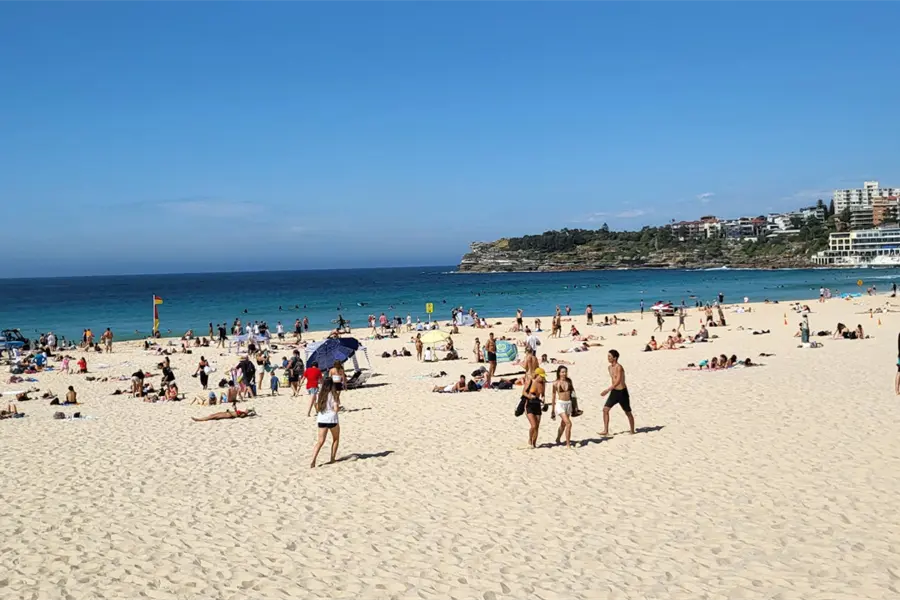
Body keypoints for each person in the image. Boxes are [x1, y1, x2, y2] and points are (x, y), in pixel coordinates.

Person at [600, 349, 635, 436]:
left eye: (610, 356)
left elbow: (618, 381)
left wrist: (607, 390)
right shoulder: (609, 367)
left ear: (615, 358)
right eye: (608, 356)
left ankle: (632, 430)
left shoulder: (619, 367)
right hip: (614, 392)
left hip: (622, 392)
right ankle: (605, 430)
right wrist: (610, 390)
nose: (608, 358)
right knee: (605, 410)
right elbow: (613, 380)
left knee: (628, 412)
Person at [310, 378, 341, 468]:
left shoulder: (321, 395)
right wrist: (338, 408)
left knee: (320, 441)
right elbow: (335, 409)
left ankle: (313, 460)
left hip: (321, 419)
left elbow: (317, 407)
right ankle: (332, 458)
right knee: (335, 439)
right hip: (332, 419)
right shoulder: (334, 394)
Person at [552, 366, 575, 447]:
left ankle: (558, 438)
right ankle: (568, 444)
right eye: (562, 372)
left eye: (565, 372)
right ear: (559, 373)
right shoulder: (555, 383)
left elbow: (573, 394)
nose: (564, 374)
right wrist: (552, 410)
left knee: (563, 424)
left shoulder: (569, 381)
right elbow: (553, 396)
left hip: (568, 404)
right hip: (560, 404)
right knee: (568, 423)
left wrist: (575, 406)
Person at [522, 368, 546, 448]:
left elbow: (543, 394)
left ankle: (534, 443)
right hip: (529, 404)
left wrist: (543, 399)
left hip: (537, 405)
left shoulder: (543, 383)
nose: (542, 378)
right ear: (537, 375)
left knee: (537, 426)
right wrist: (529, 396)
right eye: (541, 376)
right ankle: (530, 439)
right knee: (533, 425)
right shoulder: (530, 381)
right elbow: (524, 392)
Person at [192, 406, 256, 421]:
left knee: (213, 417)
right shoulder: (243, 412)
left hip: (228, 415)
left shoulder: (244, 414)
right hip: (227, 413)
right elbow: (237, 413)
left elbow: (238, 415)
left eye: (247, 409)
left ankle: (199, 419)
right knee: (213, 415)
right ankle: (201, 418)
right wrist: (234, 408)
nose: (246, 409)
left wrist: (235, 410)